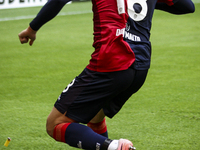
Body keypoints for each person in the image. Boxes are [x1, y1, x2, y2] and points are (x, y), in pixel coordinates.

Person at [18, 0, 195, 149]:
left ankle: (116, 147)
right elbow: (188, 6)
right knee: (96, 119)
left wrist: (32, 28)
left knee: (55, 124)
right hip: (140, 67)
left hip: (111, 62)